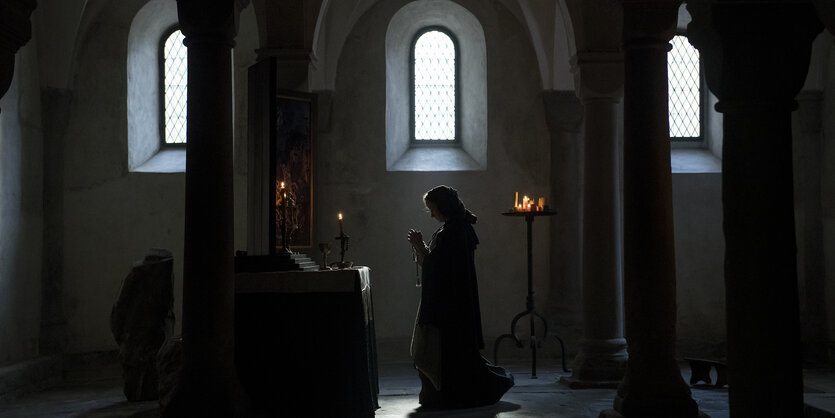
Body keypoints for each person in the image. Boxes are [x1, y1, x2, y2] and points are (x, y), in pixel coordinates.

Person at [407, 185, 514, 409]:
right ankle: (439, 393)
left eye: (432, 208)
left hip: (449, 306)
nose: (431, 213)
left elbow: (438, 268)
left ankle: (445, 395)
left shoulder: (454, 232)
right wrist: (423, 250)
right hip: (453, 302)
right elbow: (438, 264)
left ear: (442, 206)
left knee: (444, 354)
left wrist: (419, 246)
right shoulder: (453, 228)